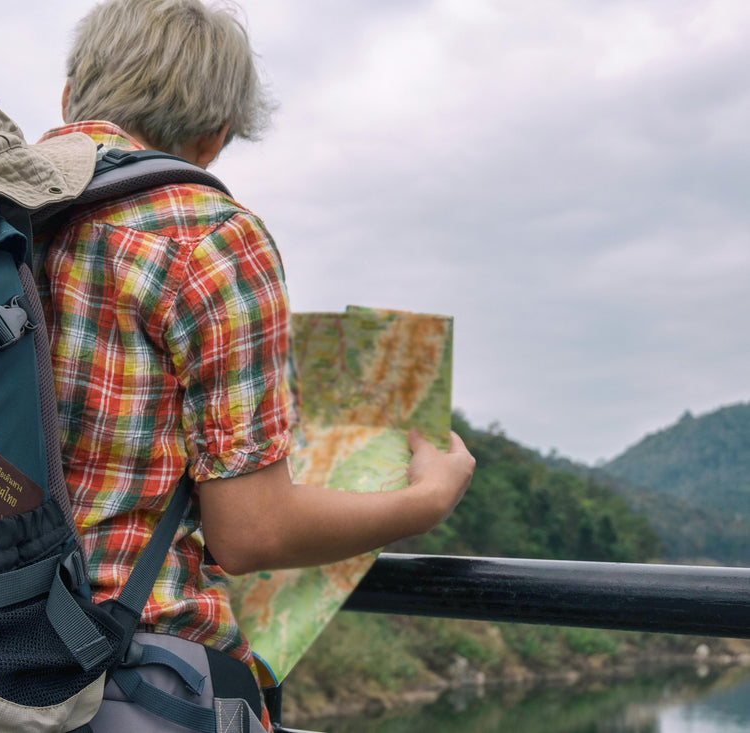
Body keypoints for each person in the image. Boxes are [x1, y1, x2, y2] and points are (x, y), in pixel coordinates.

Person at [36, 0, 476, 728]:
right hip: (120, 670)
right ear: (216, 137)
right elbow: (252, 533)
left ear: (67, 99)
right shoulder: (210, 238)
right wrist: (423, 502)